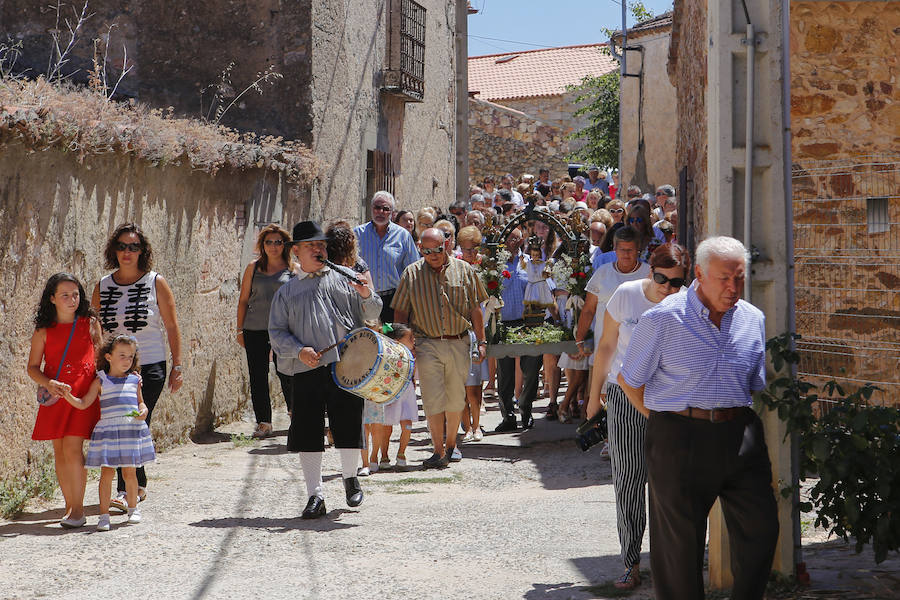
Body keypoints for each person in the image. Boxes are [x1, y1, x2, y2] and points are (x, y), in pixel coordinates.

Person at [617, 236, 778, 599]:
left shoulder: (753, 319)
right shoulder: (662, 319)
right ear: (700, 274)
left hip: (740, 432)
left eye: (739, 278)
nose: (733, 287)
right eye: (724, 278)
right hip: (679, 437)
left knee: (762, 530)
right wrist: (665, 419)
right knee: (680, 547)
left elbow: (752, 383)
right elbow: (630, 380)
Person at [583, 243, 689, 589]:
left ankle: (668, 562)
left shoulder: (686, 302)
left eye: (676, 282)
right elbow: (607, 347)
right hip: (624, 395)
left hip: (668, 399)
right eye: (661, 278)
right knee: (628, 479)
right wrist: (593, 397)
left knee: (669, 484)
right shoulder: (627, 295)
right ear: (650, 271)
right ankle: (630, 562)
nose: (667, 288)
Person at [269, 221, 382, 519]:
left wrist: (366, 295)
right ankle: (315, 495)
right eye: (311, 246)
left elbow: (373, 312)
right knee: (308, 430)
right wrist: (299, 350)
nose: (319, 250)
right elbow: (276, 332)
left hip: (346, 366)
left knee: (348, 422)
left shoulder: (344, 278)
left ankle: (350, 479)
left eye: (321, 245)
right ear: (297, 252)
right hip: (307, 368)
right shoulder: (286, 291)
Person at [93, 223, 182, 513]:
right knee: (127, 422)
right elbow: (95, 330)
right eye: (121, 246)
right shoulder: (103, 285)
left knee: (131, 420)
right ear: (113, 250)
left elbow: (171, 324)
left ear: (142, 251)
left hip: (150, 365)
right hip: (112, 370)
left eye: (133, 247)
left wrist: (177, 365)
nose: (127, 252)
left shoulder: (156, 282)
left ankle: (125, 488)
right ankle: (137, 484)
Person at [392, 228, 487, 468]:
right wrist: (403, 345)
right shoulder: (411, 274)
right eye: (427, 251)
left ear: (446, 245)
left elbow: (476, 308)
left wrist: (482, 341)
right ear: (420, 249)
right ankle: (437, 450)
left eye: (437, 249)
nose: (433, 255)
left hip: (458, 341)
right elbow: (401, 312)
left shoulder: (465, 270)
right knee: (433, 398)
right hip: (426, 343)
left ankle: (452, 445)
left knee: (455, 397)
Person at [27, 273, 103, 529]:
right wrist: (49, 383)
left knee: (72, 449)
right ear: (52, 299)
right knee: (59, 451)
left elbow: (101, 356)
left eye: (76, 294)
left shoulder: (90, 323)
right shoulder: (43, 330)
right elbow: (33, 368)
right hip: (56, 394)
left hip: (82, 395)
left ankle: (79, 509)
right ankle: (70, 506)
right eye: (65, 295)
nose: (72, 300)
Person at [63, 334, 156, 530]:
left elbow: (141, 402)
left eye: (130, 356)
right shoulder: (101, 381)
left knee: (130, 473)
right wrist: (67, 395)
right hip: (110, 433)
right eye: (122, 355)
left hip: (130, 431)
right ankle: (103, 516)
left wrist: (143, 410)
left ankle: (133, 509)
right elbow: (83, 403)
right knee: (107, 474)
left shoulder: (134, 379)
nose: (127, 360)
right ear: (108, 357)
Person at [574, 227, 651, 427]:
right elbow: (589, 309)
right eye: (622, 249)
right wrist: (580, 338)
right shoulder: (602, 273)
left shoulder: (648, 274)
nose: (626, 254)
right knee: (603, 391)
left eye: (631, 250)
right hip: (605, 344)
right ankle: (609, 438)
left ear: (638, 250)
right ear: (614, 250)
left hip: (636, 347)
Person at [326, 220, 379, 475]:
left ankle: (338, 439)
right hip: (354, 349)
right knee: (351, 406)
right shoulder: (355, 272)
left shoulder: (320, 273)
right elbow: (372, 310)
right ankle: (353, 467)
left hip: (325, 347)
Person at [236, 224, 296, 439]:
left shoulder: (293, 270)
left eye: (278, 242)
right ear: (262, 245)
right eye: (268, 242)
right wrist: (239, 330)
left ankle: (294, 415)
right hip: (254, 328)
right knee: (257, 376)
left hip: (283, 330)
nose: (273, 246)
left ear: (285, 245)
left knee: (286, 373)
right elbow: (243, 300)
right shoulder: (253, 267)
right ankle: (264, 422)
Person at [494, 227, 541, 432]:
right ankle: (508, 415)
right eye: (508, 238)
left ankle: (526, 408)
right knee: (504, 374)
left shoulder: (530, 263)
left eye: (516, 238)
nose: (512, 241)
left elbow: (544, 287)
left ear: (522, 240)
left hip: (527, 324)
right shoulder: (494, 264)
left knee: (531, 369)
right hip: (503, 323)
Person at [354, 191, 419, 324]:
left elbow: (414, 269)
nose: (381, 212)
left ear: (392, 212)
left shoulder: (403, 236)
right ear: (371, 209)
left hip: (394, 301)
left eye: (385, 209)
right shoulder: (357, 234)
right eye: (377, 207)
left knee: (393, 341)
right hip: (364, 299)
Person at [457, 226, 488, 442]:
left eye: (473, 249)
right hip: (459, 329)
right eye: (466, 249)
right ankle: (466, 427)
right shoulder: (454, 267)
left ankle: (476, 426)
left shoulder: (486, 268)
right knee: (459, 386)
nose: (469, 253)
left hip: (478, 329)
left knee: (474, 386)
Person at [378, 323, 420, 468]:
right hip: (391, 391)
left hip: (407, 392)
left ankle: (402, 453)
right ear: (397, 341)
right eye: (410, 338)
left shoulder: (413, 355)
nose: (413, 340)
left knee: (407, 424)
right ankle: (384, 455)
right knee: (386, 425)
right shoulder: (387, 356)